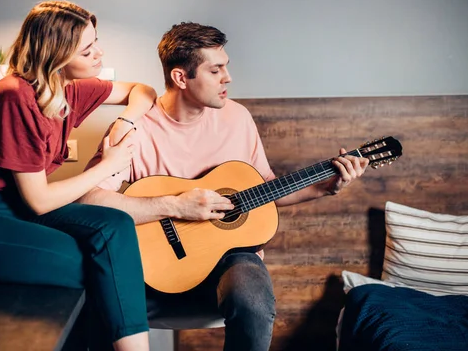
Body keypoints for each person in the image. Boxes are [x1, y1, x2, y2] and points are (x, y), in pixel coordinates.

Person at [79, 22, 370, 351]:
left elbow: (267, 188)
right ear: (180, 77)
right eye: (215, 70)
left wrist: (325, 187)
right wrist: (175, 205)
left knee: (254, 299)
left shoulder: (237, 117)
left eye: (225, 68)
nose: (227, 79)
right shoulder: (136, 129)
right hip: (155, 267)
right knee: (90, 303)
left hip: (230, 260)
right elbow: (90, 199)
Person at [0, 0, 156, 351]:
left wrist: (127, 118)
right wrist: (107, 166)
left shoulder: (70, 89)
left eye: (96, 42)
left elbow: (143, 91)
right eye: (87, 49)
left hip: (17, 204)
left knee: (116, 225)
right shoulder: (13, 96)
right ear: (57, 56)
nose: (99, 53)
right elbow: (39, 201)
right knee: (92, 267)